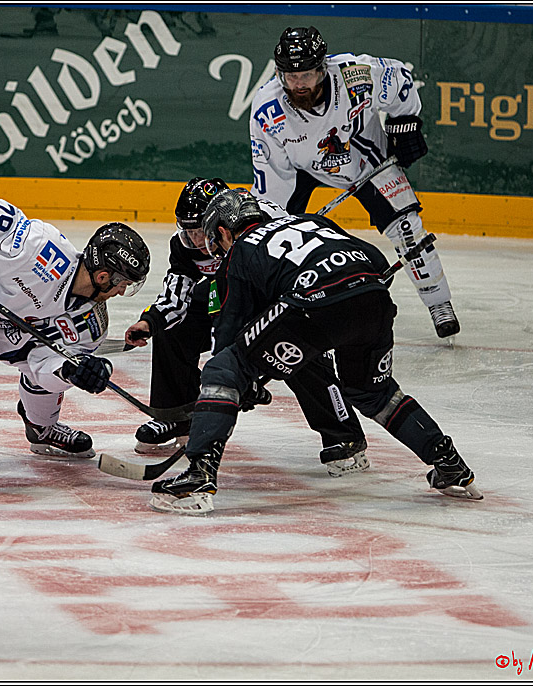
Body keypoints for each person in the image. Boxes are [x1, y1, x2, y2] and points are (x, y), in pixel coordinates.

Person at [148, 188, 482, 516]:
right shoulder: (308, 221)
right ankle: (448, 461)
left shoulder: (240, 251)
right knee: (374, 392)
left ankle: (199, 477)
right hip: (373, 299)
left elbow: (229, 334)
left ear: (222, 231)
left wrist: (237, 385)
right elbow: (377, 261)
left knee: (223, 369)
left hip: (314, 307)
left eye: (215, 240)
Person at [0, 195, 150, 504]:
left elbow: (41, 367)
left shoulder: (89, 325)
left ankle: (41, 429)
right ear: (103, 276)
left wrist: (70, 371)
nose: (122, 292)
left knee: (49, 372)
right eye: (123, 283)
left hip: (9, 333)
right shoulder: (42, 250)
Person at [124, 176, 369, 477]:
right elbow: (178, 294)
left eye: (202, 231)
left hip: (279, 293)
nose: (198, 242)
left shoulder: (265, 222)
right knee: (175, 325)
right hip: (227, 289)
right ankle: (179, 414)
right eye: (189, 233)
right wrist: (150, 322)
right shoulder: (187, 246)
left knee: (297, 346)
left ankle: (344, 436)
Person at [249, 26, 460, 339]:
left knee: (407, 226)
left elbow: (400, 78)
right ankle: (268, 307)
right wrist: (278, 222)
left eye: (306, 75)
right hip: (301, 169)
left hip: (365, 160)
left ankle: (438, 302)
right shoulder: (268, 111)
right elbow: (273, 182)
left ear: (323, 68)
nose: (299, 85)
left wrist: (406, 123)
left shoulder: (355, 75)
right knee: (274, 236)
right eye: (290, 77)